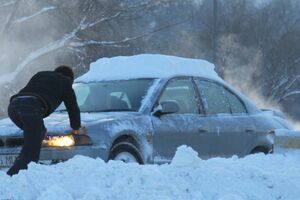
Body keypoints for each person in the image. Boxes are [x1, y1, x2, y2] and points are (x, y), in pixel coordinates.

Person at [7, 65, 82, 176]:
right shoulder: (65, 82)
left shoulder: (41, 74)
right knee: (32, 150)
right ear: (70, 79)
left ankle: (25, 165)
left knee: (38, 135)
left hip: (13, 107)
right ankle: (12, 178)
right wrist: (76, 127)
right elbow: (72, 107)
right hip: (31, 107)